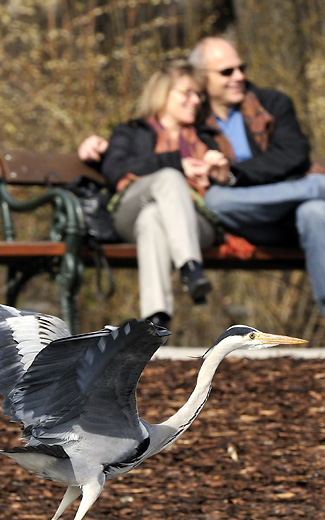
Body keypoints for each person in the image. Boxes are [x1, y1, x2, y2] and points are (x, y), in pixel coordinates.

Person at [190, 36, 325, 347]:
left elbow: (293, 155)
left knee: (317, 210)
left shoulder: (273, 103)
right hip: (238, 221)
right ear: (202, 77)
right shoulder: (190, 119)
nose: (239, 77)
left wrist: (234, 174)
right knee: (215, 200)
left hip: (290, 220)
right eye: (226, 72)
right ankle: (324, 187)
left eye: (240, 68)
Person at [98, 60, 231, 329]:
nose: (195, 101)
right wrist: (176, 163)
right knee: (169, 178)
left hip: (196, 222)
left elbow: (230, 191)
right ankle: (191, 269)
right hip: (128, 213)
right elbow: (115, 170)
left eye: (198, 95)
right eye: (187, 93)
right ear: (163, 94)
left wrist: (221, 175)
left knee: (152, 217)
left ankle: (155, 318)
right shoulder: (131, 132)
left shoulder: (206, 137)